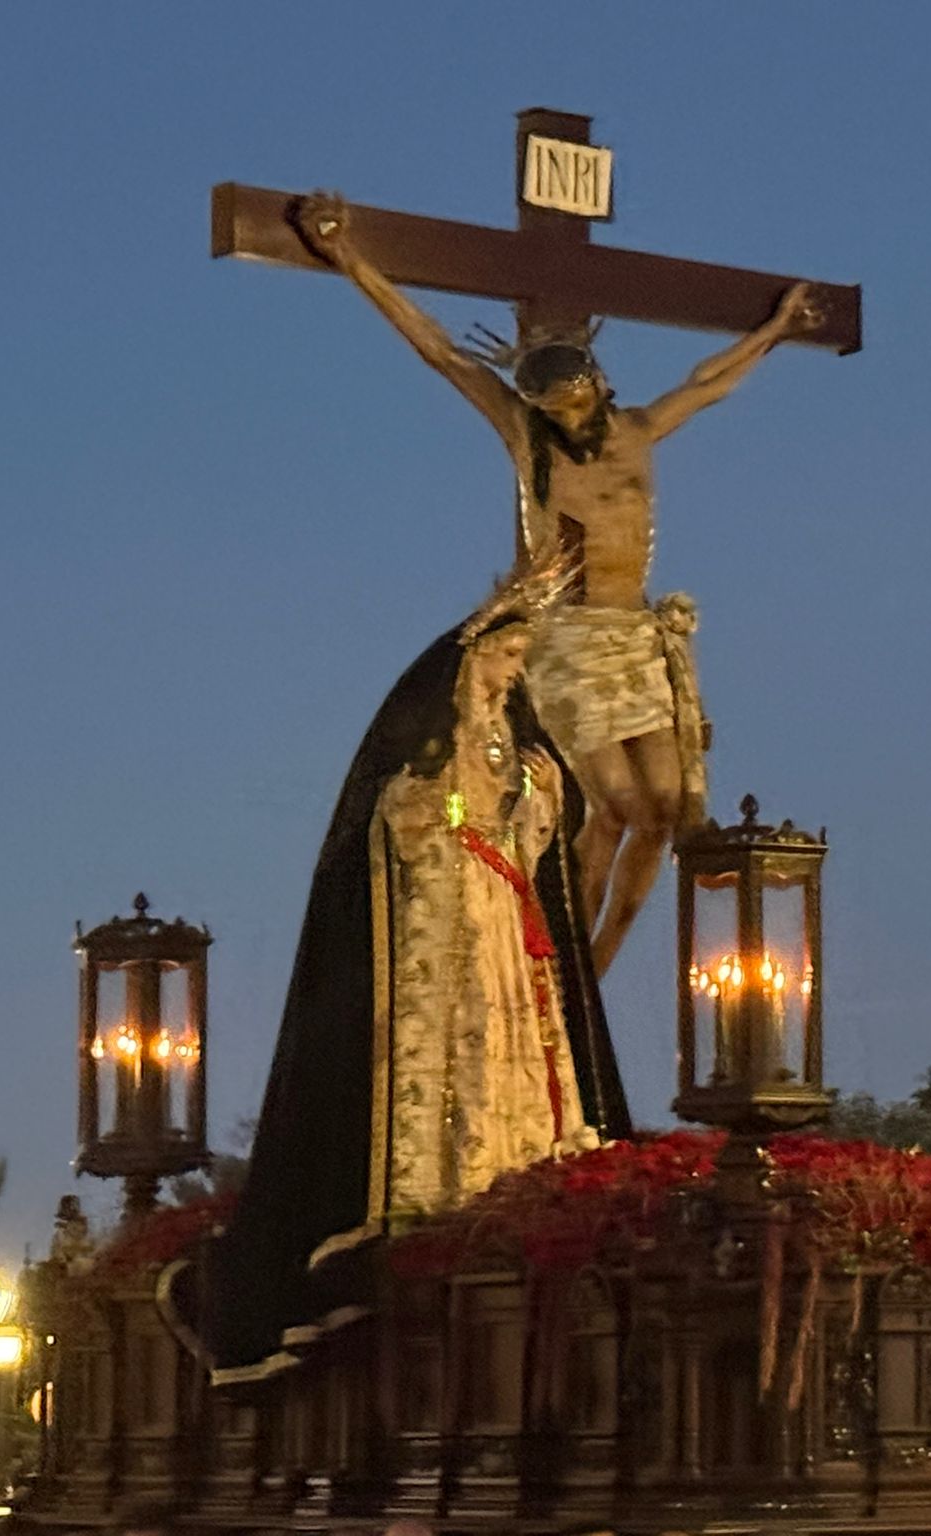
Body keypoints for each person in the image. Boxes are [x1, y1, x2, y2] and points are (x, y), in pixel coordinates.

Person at [287, 192, 825, 975]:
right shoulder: (524, 435)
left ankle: (596, 958)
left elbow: (710, 381)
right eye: (556, 411)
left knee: (668, 812)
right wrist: (350, 259)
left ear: (599, 387)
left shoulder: (638, 432)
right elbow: (441, 351)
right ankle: (567, 960)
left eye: (579, 404)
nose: (571, 421)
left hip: (634, 631)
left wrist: (776, 327)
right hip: (569, 637)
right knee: (610, 805)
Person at [200, 570, 632, 1385]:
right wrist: (446, 811)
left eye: (518, 656)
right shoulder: (432, 749)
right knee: (459, 1061)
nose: (512, 671)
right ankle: (439, 1194)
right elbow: (403, 823)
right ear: (467, 663)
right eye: (502, 654)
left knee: (526, 1046)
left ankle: (527, 1180)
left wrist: (538, 793)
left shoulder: (521, 744)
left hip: (508, 922)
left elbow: (543, 838)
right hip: (456, 928)